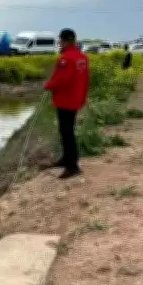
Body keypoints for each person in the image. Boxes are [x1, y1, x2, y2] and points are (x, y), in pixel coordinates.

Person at [44, 28, 90, 179]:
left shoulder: (65, 59)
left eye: (61, 41)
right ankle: (66, 159)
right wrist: (83, 98)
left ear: (64, 41)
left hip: (65, 100)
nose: (60, 44)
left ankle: (72, 166)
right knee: (67, 130)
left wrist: (48, 85)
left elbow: (61, 80)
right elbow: (85, 80)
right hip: (76, 99)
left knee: (66, 132)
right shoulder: (82, 57)